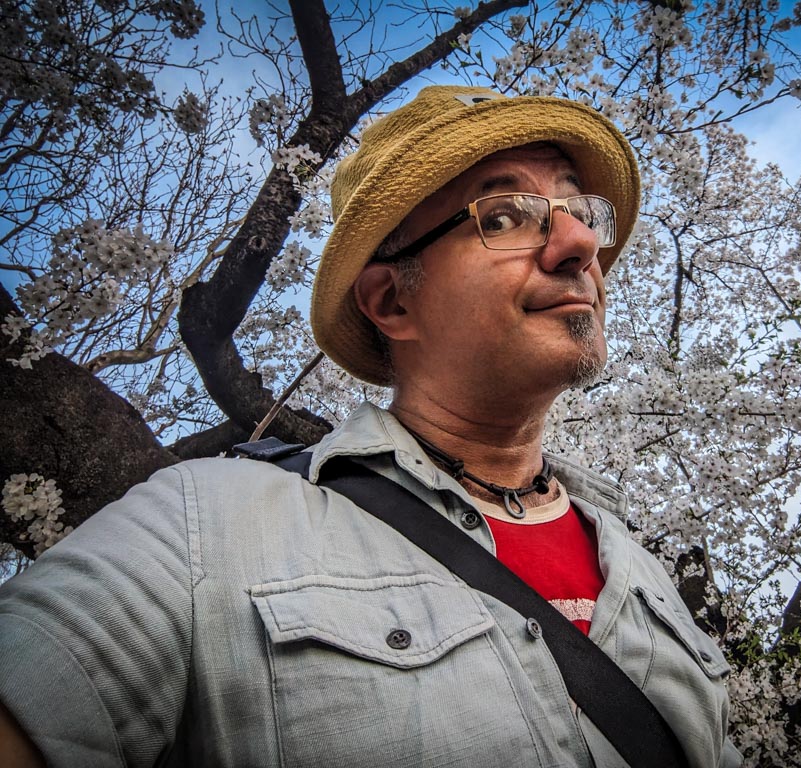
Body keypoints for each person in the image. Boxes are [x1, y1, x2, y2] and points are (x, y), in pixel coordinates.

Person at [0, 86, 742, 767]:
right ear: (391, 303)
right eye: (504, 216)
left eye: (580, 211)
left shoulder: (645, 570)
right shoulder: (204, 527)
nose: (579, 244)